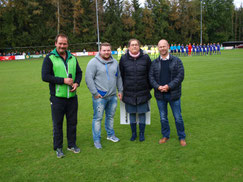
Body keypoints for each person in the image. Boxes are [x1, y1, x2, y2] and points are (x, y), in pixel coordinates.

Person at [42, 33, 82, 158]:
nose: (62, 46)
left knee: (72, 123)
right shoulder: (50, 58)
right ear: (55, 43)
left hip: (72, 97)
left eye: (64, 44)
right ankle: (58, 147)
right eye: (60, 43)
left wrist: (77, 83)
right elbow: (45, 76)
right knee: (57, 124)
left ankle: (71, 145)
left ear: (67, 44)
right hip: (57, 97)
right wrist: (63, 80)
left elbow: (79, 73)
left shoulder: (73, 58)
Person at [149, 39, 186, 146]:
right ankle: (165, 135)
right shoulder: (154, 63)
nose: (162, 49)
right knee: (163, 117)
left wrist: (169, 86)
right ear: (158, 48)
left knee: (178, 117)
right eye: (160, 47)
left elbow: (180, 76)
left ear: (168, 46)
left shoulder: (177, 61)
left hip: (173, 94)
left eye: (164, 46)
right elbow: (151, 77)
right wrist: (158, 87)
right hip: (160, 95)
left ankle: (182, 137)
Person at [85, 42, 123, 149]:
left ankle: (110, 135)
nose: (106, 52)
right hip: (100, 98)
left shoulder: (115, 62)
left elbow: (119, 77)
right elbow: (88, 79)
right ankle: (97, 140)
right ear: (100, 51)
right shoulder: (93, 63)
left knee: (110, 117)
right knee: (98, 118)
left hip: (113, 96)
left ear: (111, 51)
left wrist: (120, 90)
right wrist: (95, 93)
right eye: (104, 50)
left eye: (108, 50)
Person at [119, 39, 152, 142]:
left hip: (143, 91)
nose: (134, 46)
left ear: (139, 46)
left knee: (142, 113)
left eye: (136, 45)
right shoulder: (123, 59)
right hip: (129, 92)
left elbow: (150, 74)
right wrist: (121, 90)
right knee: (132, 113)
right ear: (128, 47)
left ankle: (141, 134)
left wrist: (148, 88)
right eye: (132, 45)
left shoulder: (146, 58)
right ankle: (134, 134)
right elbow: (121, 76)